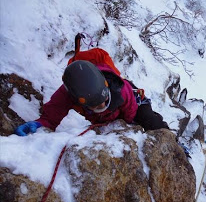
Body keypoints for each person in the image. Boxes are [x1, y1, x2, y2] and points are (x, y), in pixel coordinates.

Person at [15, 48, 169, 136]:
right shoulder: (69, 92)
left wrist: (128, 125)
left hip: (135, 102)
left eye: (103, 100)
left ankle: (173, 140)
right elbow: (52, 115)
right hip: (106, 116)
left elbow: (131, 110)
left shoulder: (121, 89)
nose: (102, 105)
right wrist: (40, 124)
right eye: (95, 105)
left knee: (150, 120)